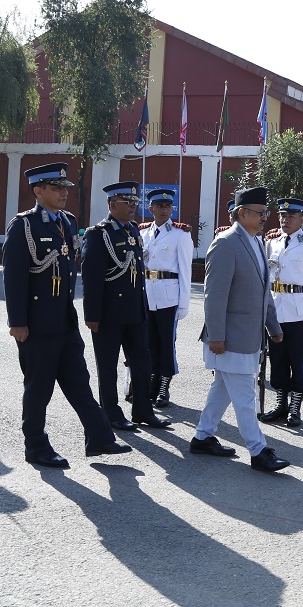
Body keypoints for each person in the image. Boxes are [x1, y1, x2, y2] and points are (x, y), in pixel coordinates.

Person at [2, 162, 131, 468]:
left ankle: (99, 436)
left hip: (64, 320)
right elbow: (14, 277)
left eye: (64, 188)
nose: (63, 193)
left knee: (78, 381)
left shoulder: (69, 222)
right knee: (39, 387)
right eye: (56, 188)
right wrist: (17, 322)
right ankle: (35, 445)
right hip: (36, 324)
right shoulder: (24, 226)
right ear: (38, 191)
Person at [192, 186, 289, 472]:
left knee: (222, 388)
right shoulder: (226, 243)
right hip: (229, 337)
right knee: (245, 395)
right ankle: (259, 451)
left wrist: (273, 325)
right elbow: (215, 295)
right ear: (242, 213)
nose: (265, 218)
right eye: (260, 213)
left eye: (265, 213)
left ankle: (202, 436)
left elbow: (263, 291)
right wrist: (217, 336)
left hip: (248, 335)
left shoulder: (256, 242)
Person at [82, 181, 172, 433]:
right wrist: (92, 315)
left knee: (142, 362)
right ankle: (111, 413)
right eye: (127, 202)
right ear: (112, 205)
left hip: (135, 310)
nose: (134, 206)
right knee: (108, 366)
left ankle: (143, 410)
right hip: (109, 313)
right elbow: (91, 277)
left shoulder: (132, 230)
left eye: (135, 202)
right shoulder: (98, 234)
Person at [260, 197, 303, 427]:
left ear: (302, 219)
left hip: (300, 311)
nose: (285, 220)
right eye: (283, 216)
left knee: (297, 360)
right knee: (276, 359)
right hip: (276, 308)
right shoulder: (272, 242)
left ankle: (295, 407)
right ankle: (280, 404)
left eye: (291, 216)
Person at [139, 187, 193, 409]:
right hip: (147, 295)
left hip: (169, 296)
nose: (164, 210)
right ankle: (151, 381)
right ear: (151, 208)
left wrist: (184, 303)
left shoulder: (180, 234)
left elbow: (185, 271)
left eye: (168, 206)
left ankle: (164, 385)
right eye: (159, 206)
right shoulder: (142, 233)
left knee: (166, 343)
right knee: (148, 342)